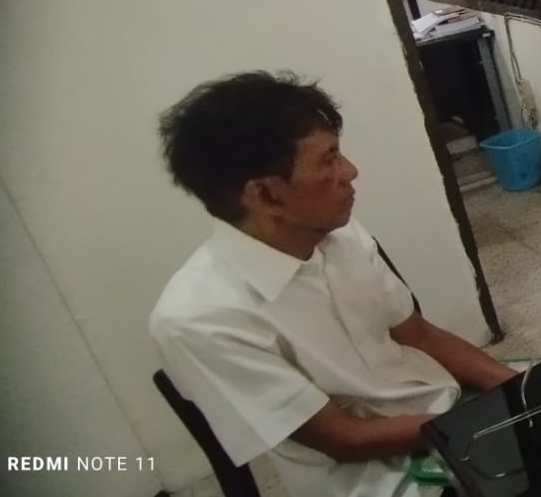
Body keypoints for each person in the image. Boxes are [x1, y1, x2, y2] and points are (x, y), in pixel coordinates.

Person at [149, 72, 515, 497]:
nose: (350, 171)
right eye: (328, 159)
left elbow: (419, 335)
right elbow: (342, 439)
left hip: (441, 411)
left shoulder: (338, 234)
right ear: (265, 195)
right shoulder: (199, 318)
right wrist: (479, 424)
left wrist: (521, 391)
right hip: (367, 478)